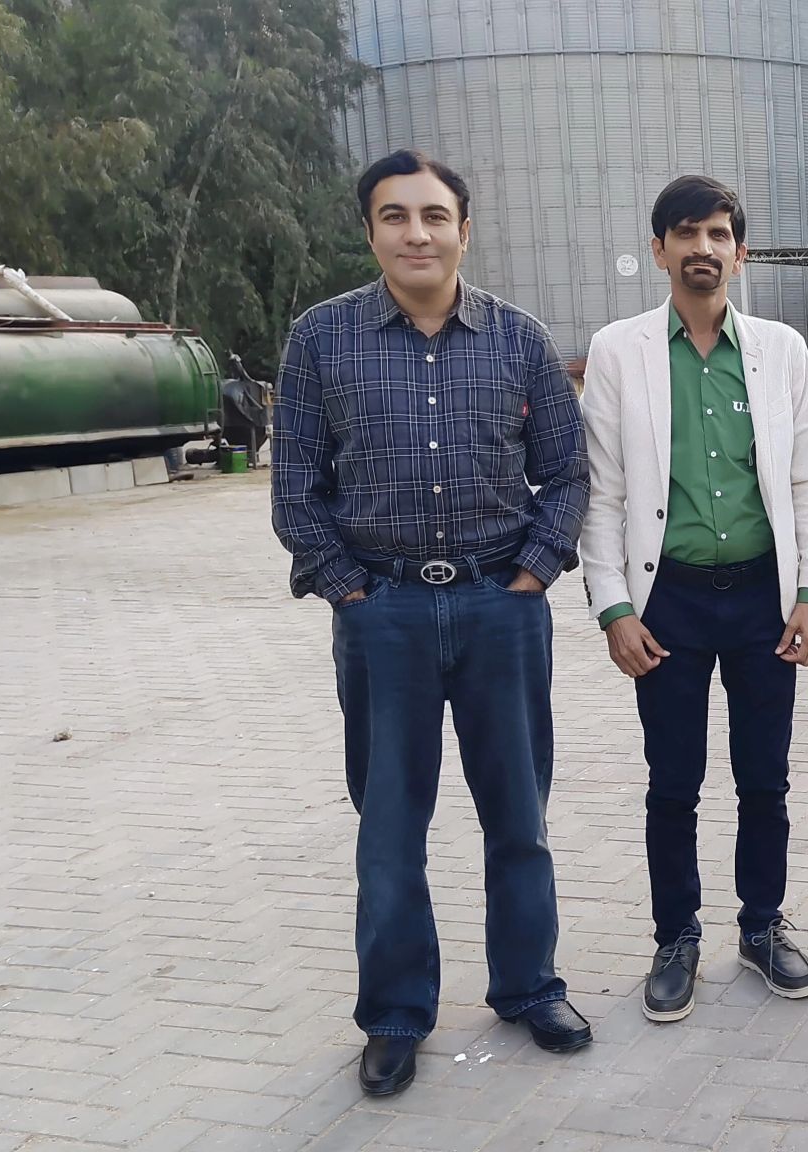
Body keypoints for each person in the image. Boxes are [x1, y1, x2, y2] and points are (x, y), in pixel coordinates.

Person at [271, 148, 593, 1097]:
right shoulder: (321, 340)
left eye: (434, 216)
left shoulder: (519, 339)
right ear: (370, 231)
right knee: (389, 826)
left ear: (464, 230)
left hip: (502, 609)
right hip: (386, 614)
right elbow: (295, 486)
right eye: (396, 216)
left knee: (519, 816)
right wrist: (349, 590)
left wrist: (535, 571)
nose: (417, 233)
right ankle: (395, 1015)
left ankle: (530, 987)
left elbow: (566, 472)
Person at [577, 175, 808, 1023]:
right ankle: (675, 937)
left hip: (764, 598)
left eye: (718, 234)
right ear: (659, 251)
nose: (703, 248)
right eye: (686, 233)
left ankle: (761, 926)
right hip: (669, 604)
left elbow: (805, 479)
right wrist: (615, 608)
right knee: (673, 783)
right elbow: (602, 494)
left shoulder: (780, 349)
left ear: (740, 252)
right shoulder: (619, 351)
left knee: (765, 780)